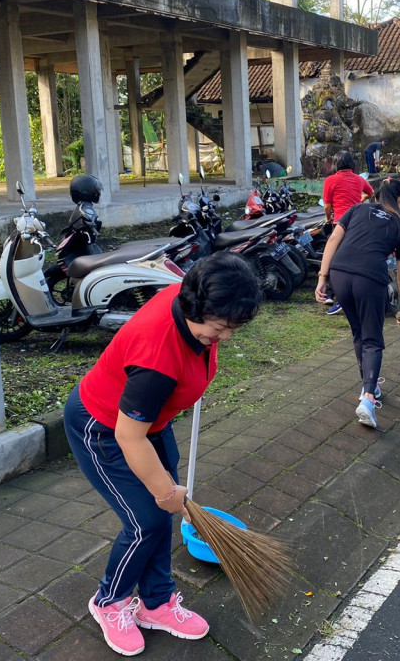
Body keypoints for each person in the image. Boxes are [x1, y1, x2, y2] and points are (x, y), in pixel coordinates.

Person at [63, 252, 262, 656]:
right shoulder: (156, 357)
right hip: (102, 429)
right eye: (220, 328)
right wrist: (166, 493)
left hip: (148, 423)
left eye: (232, 329)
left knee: (161, 517)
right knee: (147, 521)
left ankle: (155, 602)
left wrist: (171, 496)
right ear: (195, 307)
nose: (224, 338)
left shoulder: (191, 298)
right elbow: (127, 437)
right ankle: (109, 602)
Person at [314, 178, 400, 429]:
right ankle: (368, 399)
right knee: (372, 339)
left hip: (339, 275)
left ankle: (369, 385)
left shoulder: (358, 209)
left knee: (359, 332)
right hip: (369, 279)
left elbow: (333, 240)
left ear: (378, 195)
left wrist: (322, 278)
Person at [321, 151, 375, 316]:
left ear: (336, 164)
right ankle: (335, 294)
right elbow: (371, 193)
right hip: (359, 225)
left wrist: (328, 218)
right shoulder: (359, 179)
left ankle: (339, 298)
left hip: (340, 225)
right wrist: (361, 201)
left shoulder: (330, 180)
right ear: (352, 164)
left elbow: (326, 206)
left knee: (334, 260)